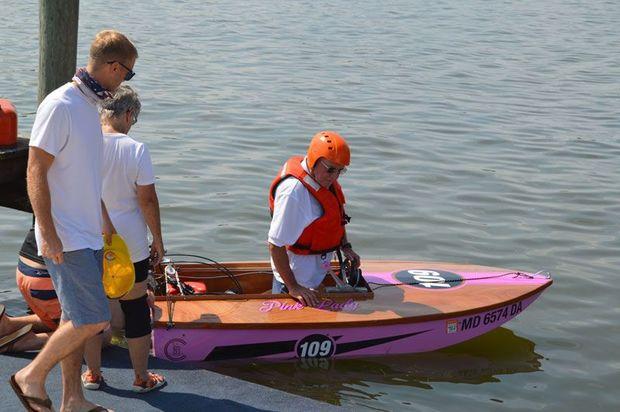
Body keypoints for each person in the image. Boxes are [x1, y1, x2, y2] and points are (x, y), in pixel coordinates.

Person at [11, 30, 137, 412]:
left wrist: (105, 220)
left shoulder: (87, 107)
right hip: (66, 236)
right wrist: (47, 232)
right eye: (127, 74)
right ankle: (30, 377)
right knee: (94, 319)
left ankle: (72, 400)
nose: (125, 82)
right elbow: (35, 168)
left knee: (74, 318)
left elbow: (84, 174)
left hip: (89, 233)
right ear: (114, 67)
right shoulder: (62, 104)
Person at [81, 85, 166, 393]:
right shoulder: (136, 149)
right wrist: (157, 239)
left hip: (90, 239)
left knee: (92, 311)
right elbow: (147, 200)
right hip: (129, 244)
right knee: (135, 311)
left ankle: (92, 374)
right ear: (129, 114)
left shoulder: (85, 145)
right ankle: (142, 378)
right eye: (134, 117)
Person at [268, 131, 361, 307]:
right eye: (330, 170)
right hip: (295, 283)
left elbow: (336, 217)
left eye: (340, 171)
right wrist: (293, 287)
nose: (334, 177)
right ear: (313, 160)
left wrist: (345, 246)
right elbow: (275, 245)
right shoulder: (294, 194)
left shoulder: (324, 180)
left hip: (315, 275)